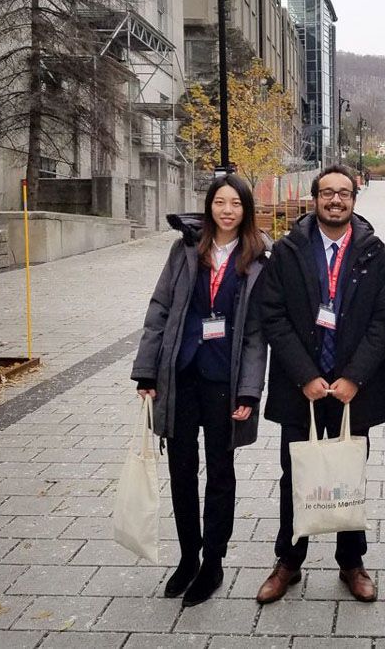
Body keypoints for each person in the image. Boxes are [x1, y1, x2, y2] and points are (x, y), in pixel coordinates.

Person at [256, 164, 385, 604]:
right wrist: (306, 375)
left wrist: (354, 375)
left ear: (355, 200)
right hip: (302, 387)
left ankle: (351, 562)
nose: (336, 200)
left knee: (349, 473)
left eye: (344, 194)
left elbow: (384, 320)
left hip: (355, 389)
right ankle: (288, 562)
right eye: (327, 193)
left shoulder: (376, 252)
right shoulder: (288, 249)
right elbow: (272, 315)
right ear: (314, 198)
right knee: (295, 474)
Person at [131, 175, 268, 607]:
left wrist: (249, 392)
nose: (227, 210)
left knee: (220, 471)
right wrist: (147, 372)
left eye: (235, 204)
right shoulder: (186, 249)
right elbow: (160, 309)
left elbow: (256, 335)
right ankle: (188, 556)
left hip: (223, 381)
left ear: (246, 210)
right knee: (182, 469)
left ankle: (214, 562)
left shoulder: (260, 257)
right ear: (210, 207)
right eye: (220, 202)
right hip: (182, 372)